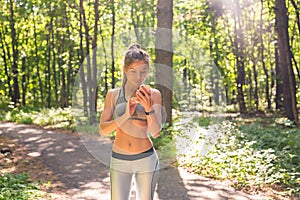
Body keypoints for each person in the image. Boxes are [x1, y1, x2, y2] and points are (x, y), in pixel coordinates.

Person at [99, 44, 162, 200]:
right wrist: (126, 115)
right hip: (119, 160)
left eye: (143, 72)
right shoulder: (113, 95)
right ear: (125, 70)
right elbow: (103, 130)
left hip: (146, 159)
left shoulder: (153, 94)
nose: (138, 76)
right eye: (133, 71)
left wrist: (149, 109)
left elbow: (156, 132)